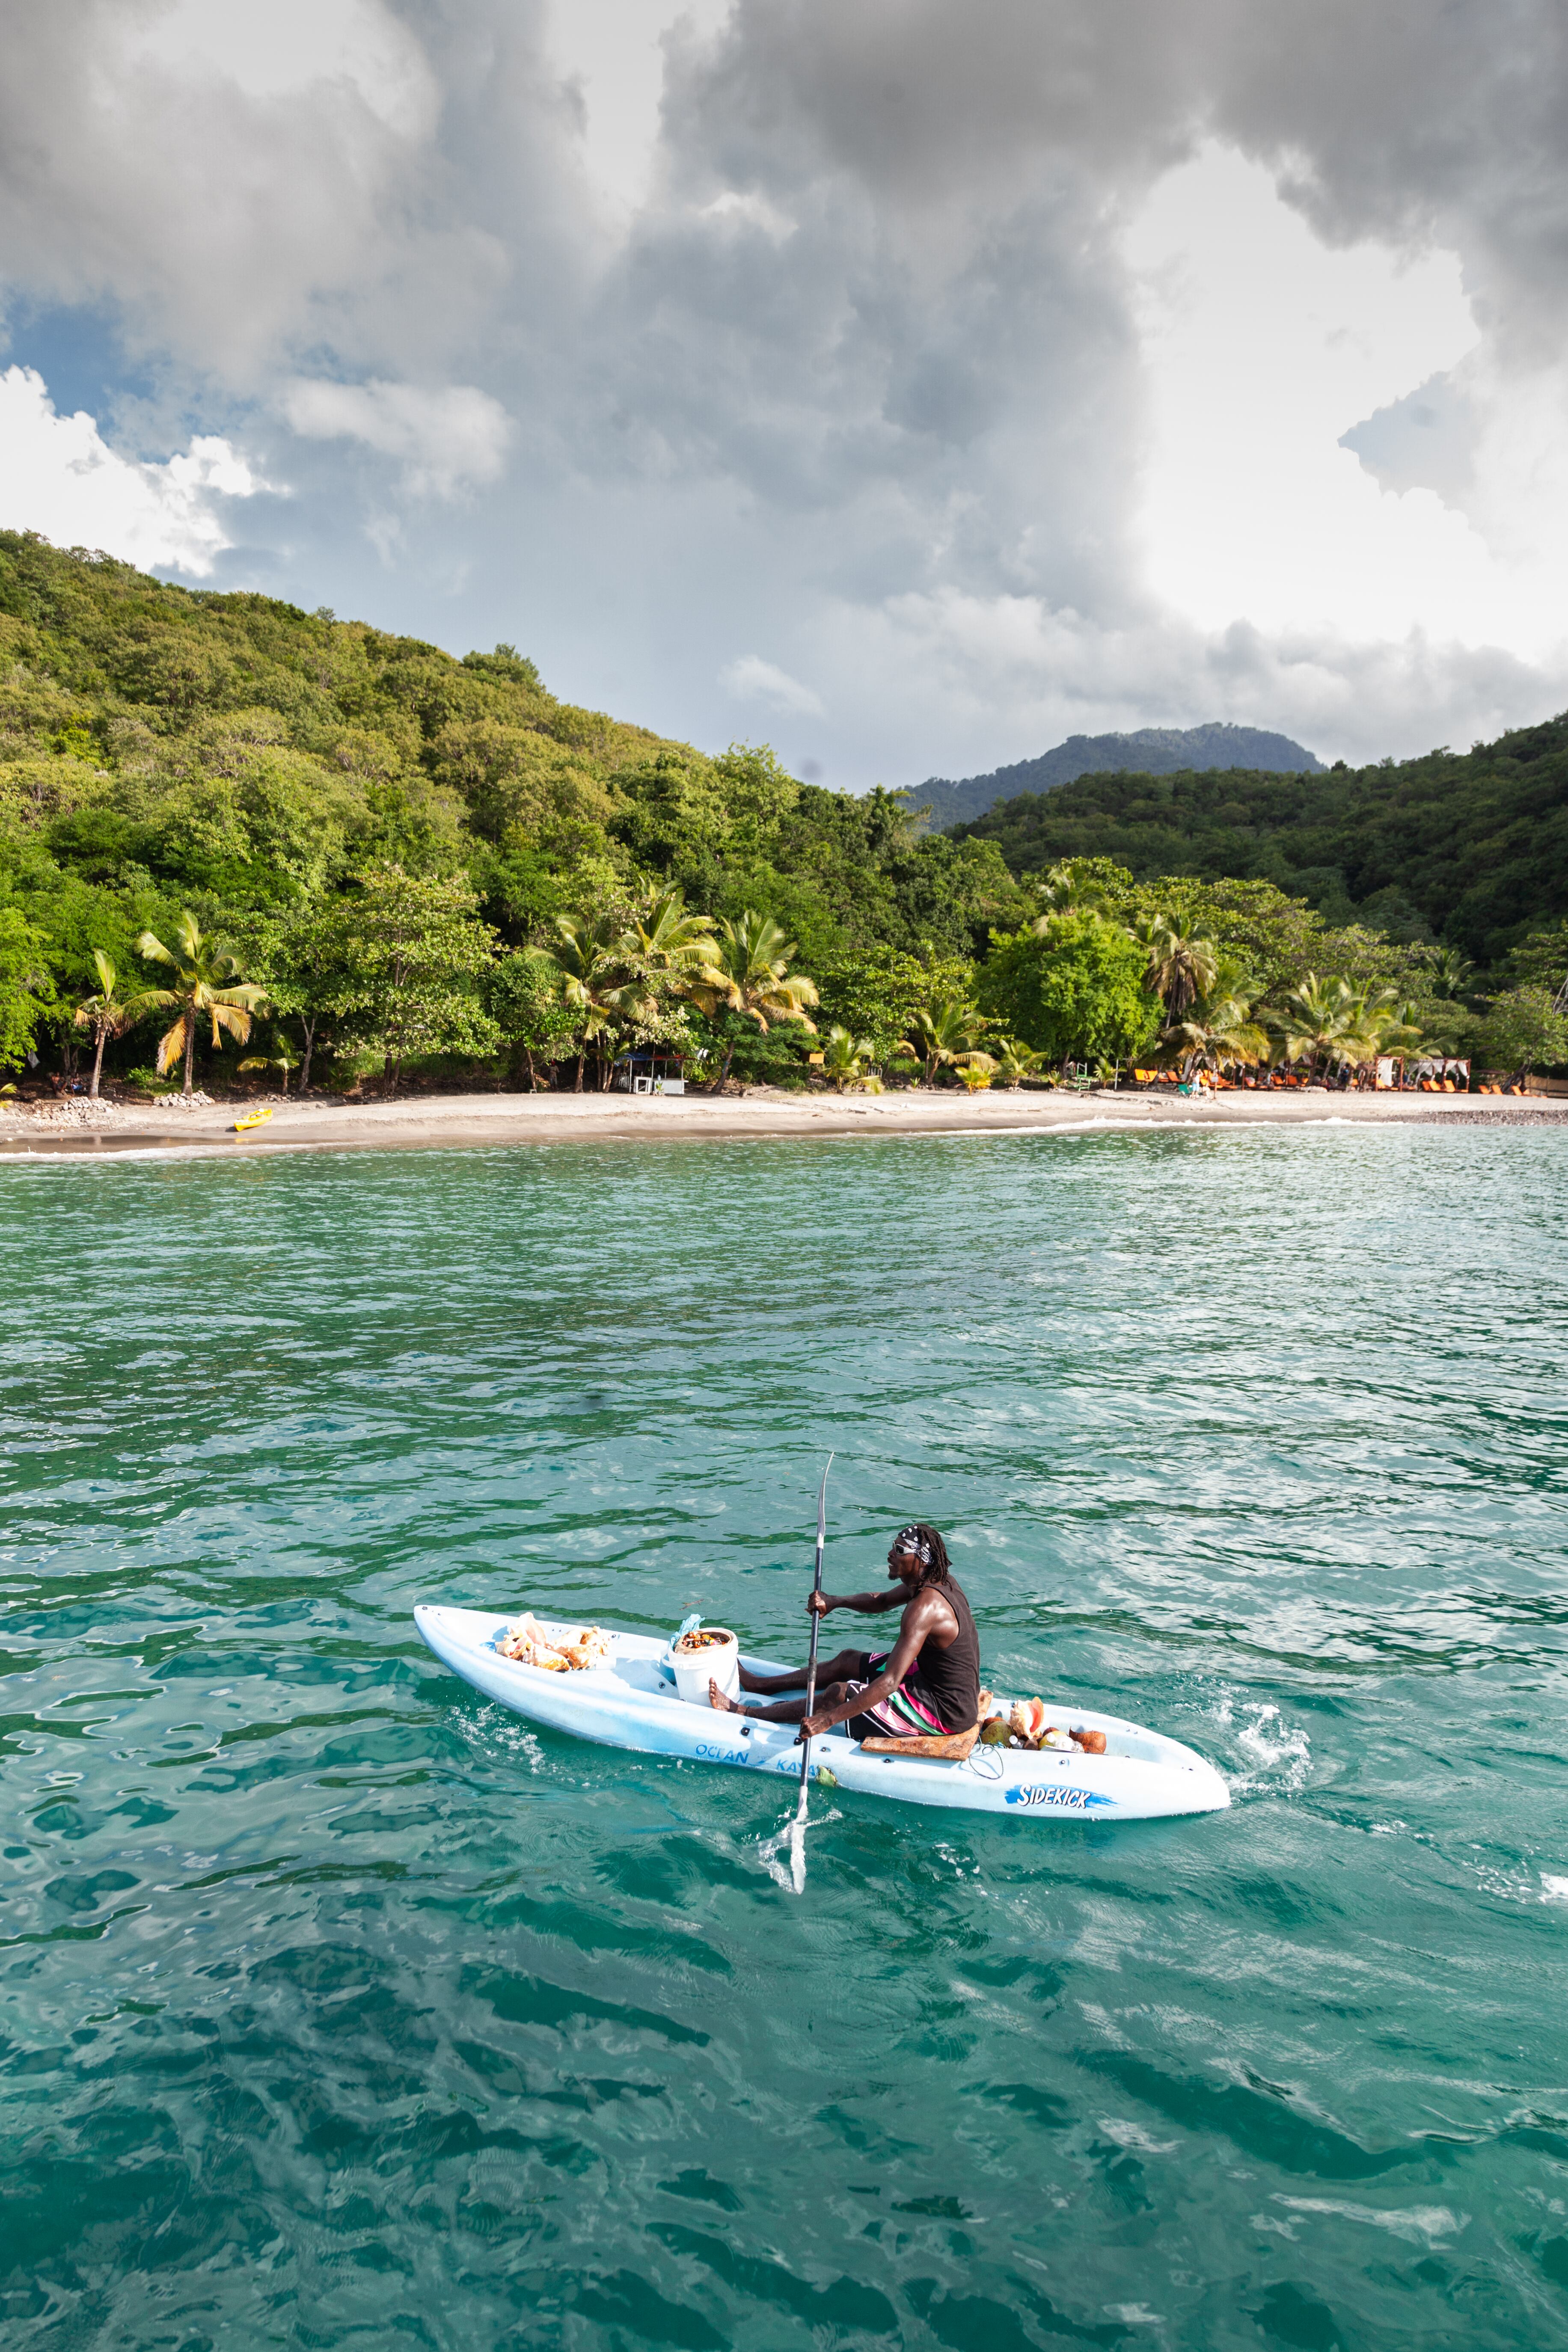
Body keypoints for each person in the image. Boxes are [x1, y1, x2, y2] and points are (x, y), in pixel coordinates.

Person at [707, 1522, 980, 1743]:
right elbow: (882, 1601)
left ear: (920, 1560)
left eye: (899, 1550)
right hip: (931, 1681)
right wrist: (834, 1601)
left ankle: (744, 1711)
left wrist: (827, 1720)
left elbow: (890, 1682)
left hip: (945, 1712)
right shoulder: (929, 1582)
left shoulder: (924, 1608)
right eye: (893, 1547)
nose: (890, 1554)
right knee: (848, 1660)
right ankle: (759, 1685)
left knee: (838, 1694)